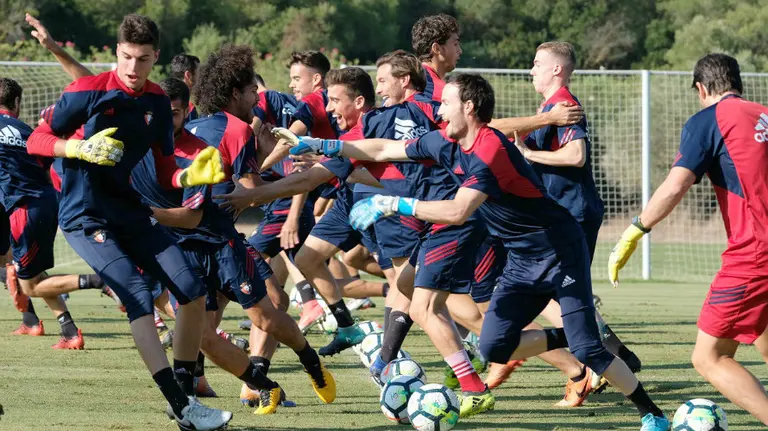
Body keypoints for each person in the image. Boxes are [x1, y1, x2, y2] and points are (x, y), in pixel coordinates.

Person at [290, 73, 670, 431]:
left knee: (590, 348)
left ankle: (649, 412)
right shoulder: (445, 141)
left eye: (446, 104)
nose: (438, 111)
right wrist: (327, 146)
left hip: (558, 249)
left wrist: (394, 205)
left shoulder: (490, 151)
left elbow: (458, 211)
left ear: (469, 107)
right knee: (493, 348)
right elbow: (386, 147)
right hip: (521, 259)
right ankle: (569, 334)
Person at [26, 14, 232, 430]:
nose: (132, 68)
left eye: (142, 59)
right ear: (115, 52)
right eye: (125, 57)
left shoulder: (157, 101)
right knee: (137, 292)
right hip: (85, 216)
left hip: (130, 210)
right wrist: (77, 148)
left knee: (191, 288)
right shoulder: (86, 91)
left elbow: (163, 167)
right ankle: (183, 406)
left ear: (155, 57)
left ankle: (184, 388)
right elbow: (37, 140)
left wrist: (188, 176)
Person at [609, 53, 768, 427]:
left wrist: (636, 230)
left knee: (708, 357)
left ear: (701, 88)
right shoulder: (763, 113)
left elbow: (677, 184)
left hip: (755, 253)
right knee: (762, 331)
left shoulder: (708, 120)